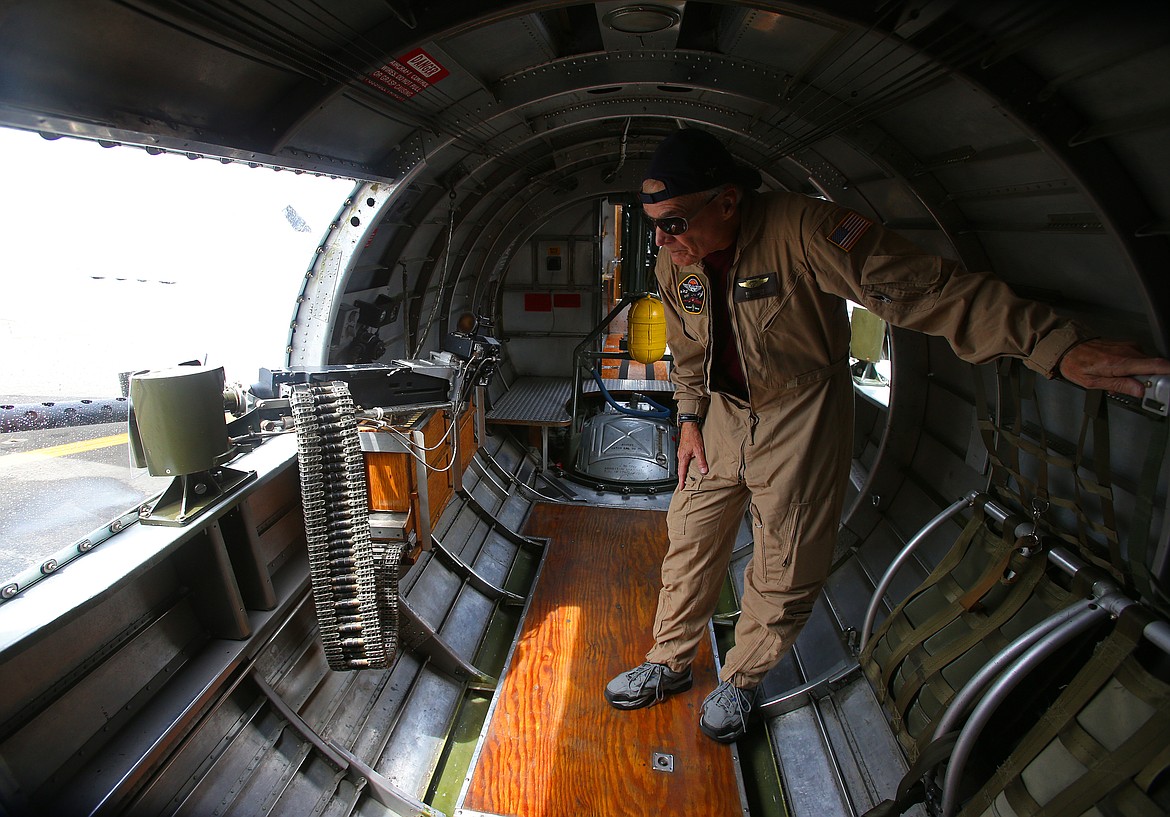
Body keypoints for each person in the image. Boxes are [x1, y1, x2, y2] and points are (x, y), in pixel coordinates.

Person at [603, 128, 1170, 743]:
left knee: (783, 560)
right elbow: (689, 350)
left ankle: (740, 682)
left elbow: (924, 288)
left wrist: (1057, 347)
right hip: (720, 417)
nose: (662, 239)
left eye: (675, 222)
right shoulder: (673, 259)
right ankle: (669, 661)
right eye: (653, 222)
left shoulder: (806, 231)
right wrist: (689, 419)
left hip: (799, 413)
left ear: (728, 202)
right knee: (689, 536)